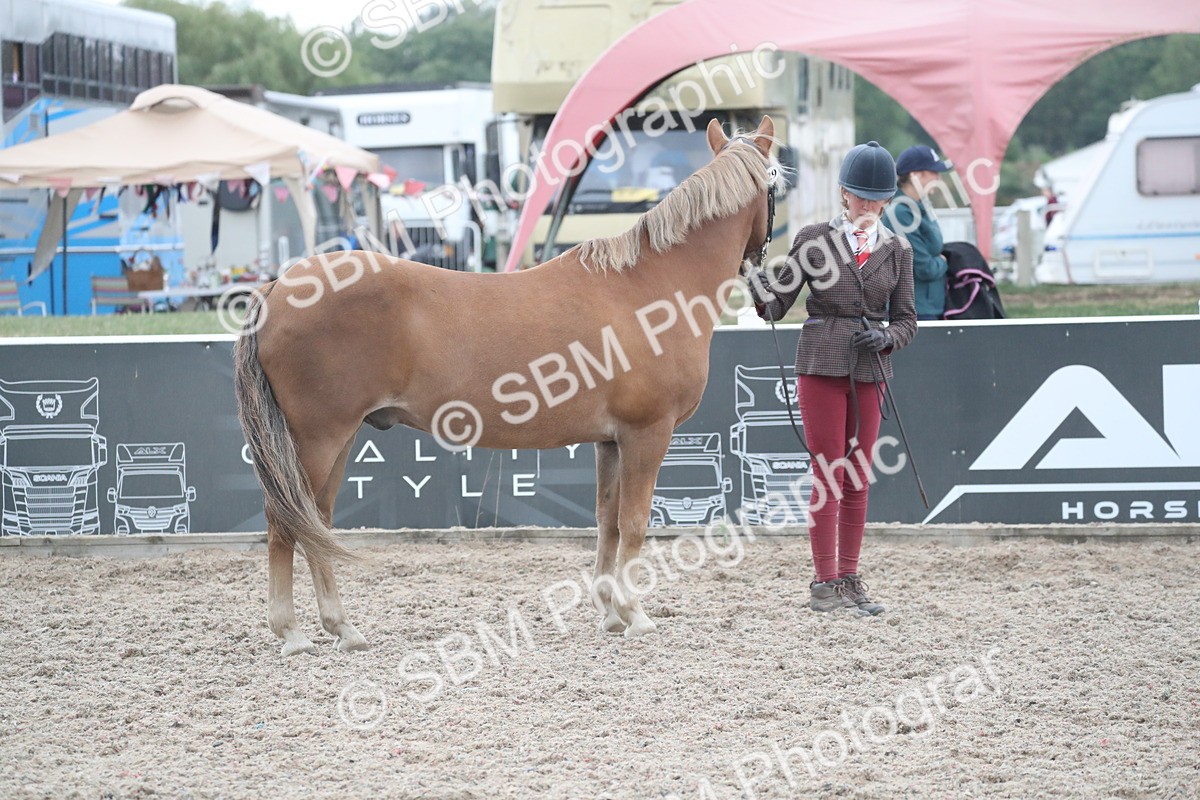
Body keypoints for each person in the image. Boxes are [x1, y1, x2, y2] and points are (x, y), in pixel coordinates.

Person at [748, 141, 917, 616]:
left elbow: (908, 319)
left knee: (858, 475)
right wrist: (755, 278)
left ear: (888, 199)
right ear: (844, 193)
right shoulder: (813, 239)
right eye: (861, 197)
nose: (868, 207)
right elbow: (776, 305)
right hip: (821, 365)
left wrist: (886, 337)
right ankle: (824, 582)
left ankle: (849, 576)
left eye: (877, 199)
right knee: (828, 473)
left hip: (870, 367)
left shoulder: (898, 250)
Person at [882, 145, 953, 321]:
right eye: (933, 172)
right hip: (914, 310)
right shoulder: (900, 213)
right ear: (915, 175)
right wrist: (943, 261)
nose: (938, 178)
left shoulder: (921, 206)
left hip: (929, 305)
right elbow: (925, 269)